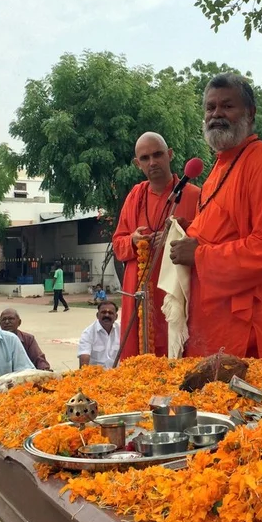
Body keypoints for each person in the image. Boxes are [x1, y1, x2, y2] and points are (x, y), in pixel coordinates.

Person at [169, 74, 262, 361]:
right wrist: (188, 231)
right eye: (210, 107)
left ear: (250, 113)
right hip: (213, 327)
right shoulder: (220, 167)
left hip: (251, 333)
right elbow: (223, 229)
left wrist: (199, 255)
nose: (216, 114)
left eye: (227, 106)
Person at [112, 132, 200, 358]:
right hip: (141, 291)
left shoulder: (194, 195)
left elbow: (206, 242)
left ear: (170, 155)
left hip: (177, 291)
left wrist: (177, 235)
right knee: (139, 360)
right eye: (145, 158)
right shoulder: (135, 196)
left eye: (158, 154)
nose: (152, 162)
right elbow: (118, 245)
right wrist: (133, 240)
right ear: (137, 163)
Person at [78, 301, 121, 368]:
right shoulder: (88, 333)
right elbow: (84, 359)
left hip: (118, 373)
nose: (107, 315)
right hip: (97, 373)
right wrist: (84, 373)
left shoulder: (122, 331)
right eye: (103, 312)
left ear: (116, 317)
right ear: (97, 315)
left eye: (110, 313)